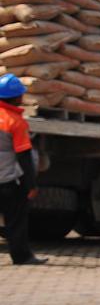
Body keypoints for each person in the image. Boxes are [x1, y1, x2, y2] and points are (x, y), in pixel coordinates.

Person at [0, 73, 46, 265]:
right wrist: (31, 185)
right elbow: (23, 156)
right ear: (16, 97)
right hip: (10, 181)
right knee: (16, 221)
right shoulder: (15, 121)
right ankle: (22, 256)